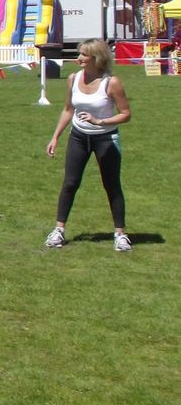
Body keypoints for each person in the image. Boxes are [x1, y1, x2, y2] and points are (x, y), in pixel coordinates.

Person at [44, 39, 133, 252]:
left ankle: (120, 234)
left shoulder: (111, 82)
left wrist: (101, 121)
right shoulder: (73, 79)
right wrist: (55, 136)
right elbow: (68, 109)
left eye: (84, 55)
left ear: (97, 58)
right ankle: (58, 231)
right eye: (79, 54)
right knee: (70, 183)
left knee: (111, 185)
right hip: (79, 137)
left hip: (106, 139)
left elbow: (126, 114)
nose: (79, 58)